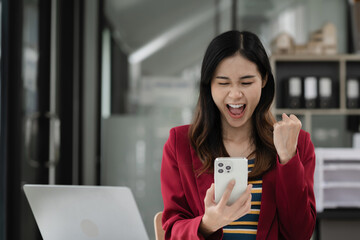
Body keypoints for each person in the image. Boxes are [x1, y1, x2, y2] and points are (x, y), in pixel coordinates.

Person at [160, 30, 316, 240]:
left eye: (246, 82)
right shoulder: (179, 144)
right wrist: (207, 225)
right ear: (209, 86)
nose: (235, 94)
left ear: (263, 80)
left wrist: (288, 159)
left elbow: (300, 234)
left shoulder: (297, 143)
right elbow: (171, 232)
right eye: (223, 83)